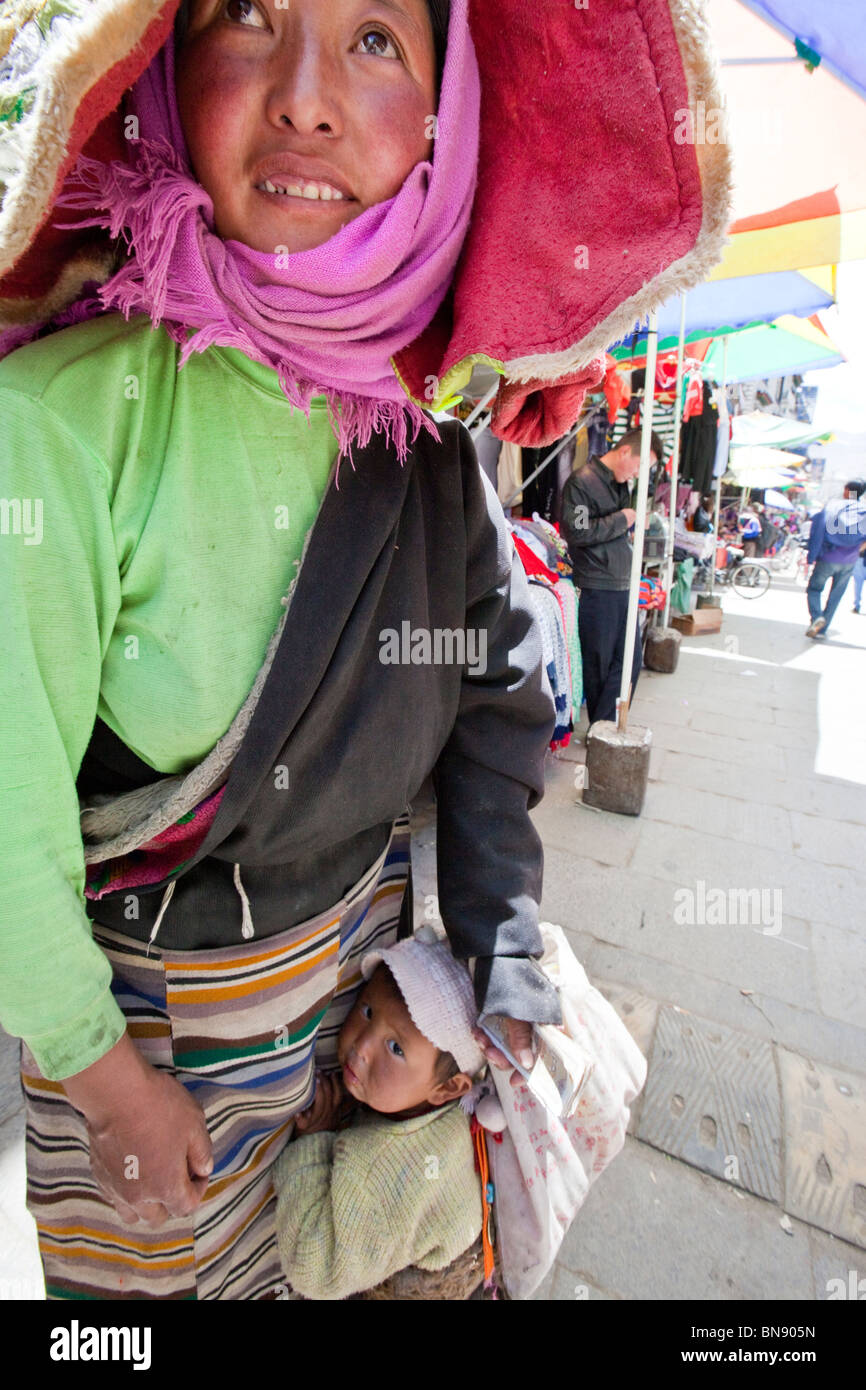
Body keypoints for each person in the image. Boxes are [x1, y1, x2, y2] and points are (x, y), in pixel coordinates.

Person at [0, 0, 562, 1300]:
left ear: (444, 111)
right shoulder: (59, 429)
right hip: (155, 1065)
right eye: (249, 18)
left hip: (352, 1025)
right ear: (160, 67)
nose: (305, 96)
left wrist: (498, 930)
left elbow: (494, 689)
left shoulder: (432, 429)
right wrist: (106, 1082)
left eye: (375, 39)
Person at [273, 932, 485, 1300]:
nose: (363, 1047)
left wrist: (312, 1143)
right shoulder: (438, 1104)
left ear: (449, 1089)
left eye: (396, 1047)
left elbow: (314, 1269)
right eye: (368, 1011)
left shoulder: (375, 1177)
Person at [560, 429, 663, 727]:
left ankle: (605, 724)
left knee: (629, 662)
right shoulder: (581, 482)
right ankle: (602, 727)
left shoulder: (621, 485)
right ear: (625, 452)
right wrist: (623, 519)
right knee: (600, 665)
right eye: (641, 465)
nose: (639, 473)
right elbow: (578, 532)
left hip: (623, 583)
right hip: (597, 585)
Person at [805, 478, 866, 638]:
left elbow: (818, 530)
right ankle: (822, 630)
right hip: (850, 561)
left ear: (847, 491)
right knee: (836, 596)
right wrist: (855, 550)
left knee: (814, 588)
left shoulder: (833, 506)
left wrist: (812, 556)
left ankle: (817, 617)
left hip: (827, 557)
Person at [852, 540, 866, 614]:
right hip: (861, 558)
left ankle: (856, 606)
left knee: (858, 584)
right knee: (858, 584)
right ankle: (856, 605)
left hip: (861, 558)